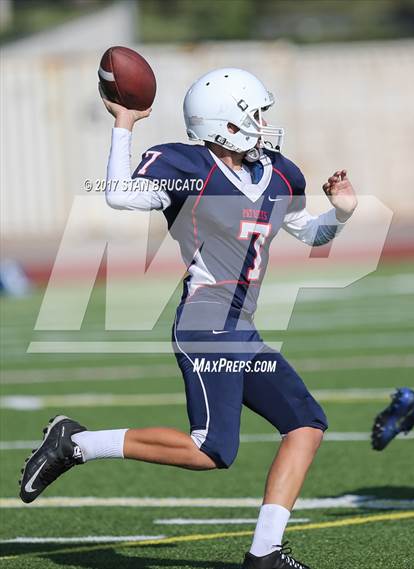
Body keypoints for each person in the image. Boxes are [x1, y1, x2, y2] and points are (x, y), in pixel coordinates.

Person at [19, 68, 357, 569]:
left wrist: (342, 214)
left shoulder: (281, 172)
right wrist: (124, 123)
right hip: (206, 325)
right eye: (255, 114)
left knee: (306, 423)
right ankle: (78, 443)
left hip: (242, 330)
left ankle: (264, 553)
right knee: (211, 449)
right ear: (227, 123)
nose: (265, 122)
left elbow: (311, 234)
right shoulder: (187, 166)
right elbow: (118, 194)